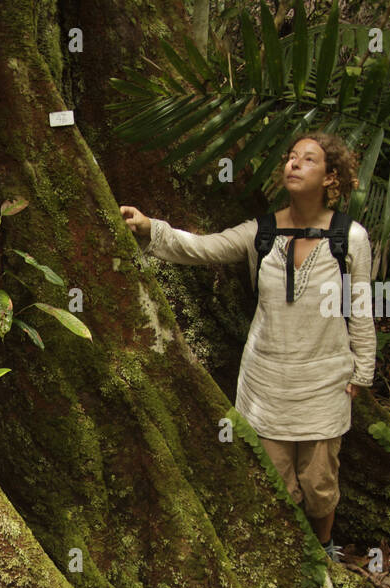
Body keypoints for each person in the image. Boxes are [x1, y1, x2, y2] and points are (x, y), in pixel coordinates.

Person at [119, 132, 376, 561]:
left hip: (325, 380)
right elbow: (203, 248)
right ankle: (295, 560)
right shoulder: (263, 231)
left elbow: (362, 309)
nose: (293, 164)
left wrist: (362, 371)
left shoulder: (350, 238)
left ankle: (324, 551)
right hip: (266, 382)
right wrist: (151, 229)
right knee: (277, 482)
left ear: (331, 177)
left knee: (319, 484)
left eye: (307, 160)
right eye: (291, 157)